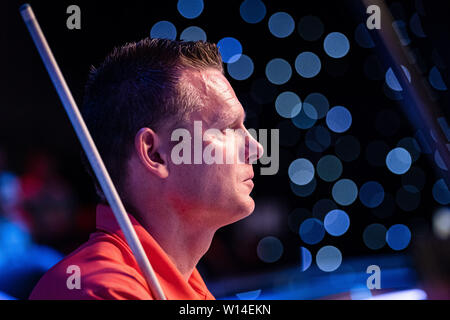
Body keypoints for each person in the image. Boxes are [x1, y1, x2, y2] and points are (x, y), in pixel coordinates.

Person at [29, 38, 264, 300]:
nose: (256, 149)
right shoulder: (100, 290)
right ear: (155, 153)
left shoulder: (189, 286)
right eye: (227, 128)